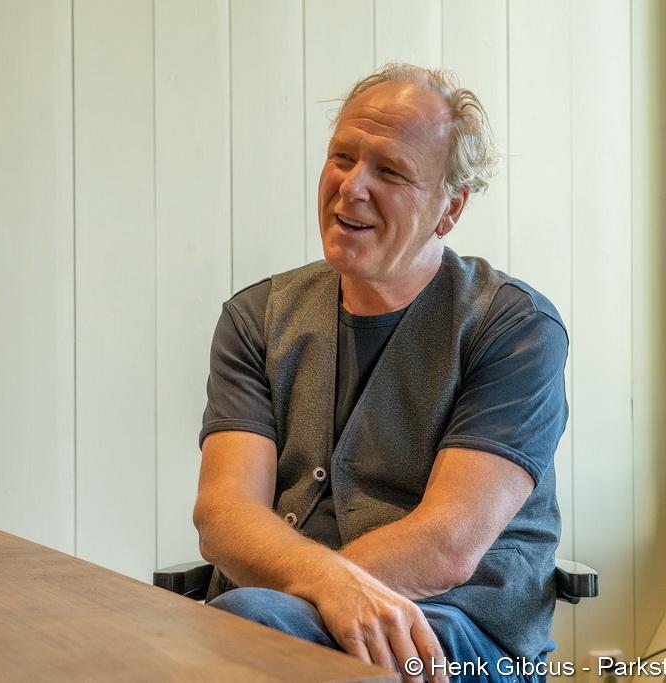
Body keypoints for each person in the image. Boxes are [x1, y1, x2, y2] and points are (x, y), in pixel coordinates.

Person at [194, 63, 568, 683]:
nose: (351, 187)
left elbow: (447, 545)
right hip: (274, 611)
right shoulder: (256, 318)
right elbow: (224, 513)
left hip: (455, 626)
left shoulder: (514, 328)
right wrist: (330, 586)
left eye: (390, 171)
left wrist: (309, 586)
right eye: (342, 157)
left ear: (449, 209)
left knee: (249, 631)